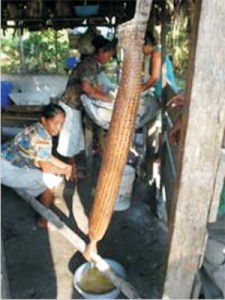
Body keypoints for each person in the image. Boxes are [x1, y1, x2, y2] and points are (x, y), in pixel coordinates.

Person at [1, 103, 73, 228]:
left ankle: (46, 199)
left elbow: (46, 156)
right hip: (6, 169)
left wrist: (65, 166)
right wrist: (63, 170)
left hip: (6, 159)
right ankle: (43, 220)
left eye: (62, 123)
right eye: (55, 123)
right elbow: (47, 168)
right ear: (44, 120)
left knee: (48, 175)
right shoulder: (43, 138)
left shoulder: (37, 127)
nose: (59, 127)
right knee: (51, 181)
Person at [57, 35, 118, 175]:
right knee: (71, 139)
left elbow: (95, 86)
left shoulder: (94, 65)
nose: (109, 58)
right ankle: (70, 172)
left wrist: (107, 97)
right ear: (101, 51)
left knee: (76, 138)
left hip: (74, 105)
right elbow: (86, 87)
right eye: (109, 54)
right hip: (69, 104)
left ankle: (73, 168)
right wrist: (106, 99)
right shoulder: (88, 64)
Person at [141, 31, 179, 98]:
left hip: (167, 93)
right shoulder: (153, 54)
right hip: (161, 92)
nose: (141, 50)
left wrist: (141, 89)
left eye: (141, 47)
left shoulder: (156, 54)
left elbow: (155, 77)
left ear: (147, 44)